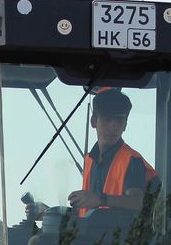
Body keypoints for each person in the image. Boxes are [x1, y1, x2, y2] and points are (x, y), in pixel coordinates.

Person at [68, 88, 160, 226]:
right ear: (94, 122)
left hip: (119, 242)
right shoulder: (89, 159)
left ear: (125, 125)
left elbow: (136, 202)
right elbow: (89, 209)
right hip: (90, 237)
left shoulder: (132, 159)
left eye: (119, 120)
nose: (113, 126)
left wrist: (100, 199)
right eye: (107, 119)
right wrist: (50, 212)